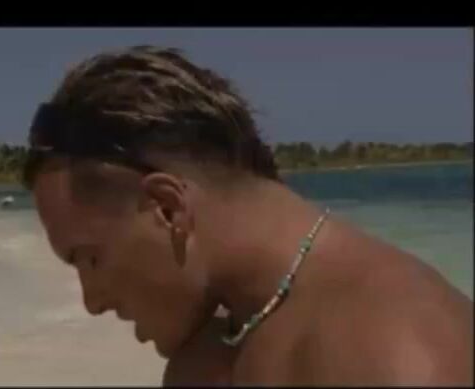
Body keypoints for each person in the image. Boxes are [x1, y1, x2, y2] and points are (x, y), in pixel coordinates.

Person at [23, 46, 473, 386]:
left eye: (90, 259)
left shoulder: (395, 353)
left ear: (167, 208)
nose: (93, 302)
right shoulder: (211, 353)